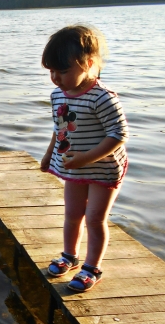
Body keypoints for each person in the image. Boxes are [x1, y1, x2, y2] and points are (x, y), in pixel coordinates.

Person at [39, 25, 129, 292]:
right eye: (51, 71)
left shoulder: (102, 98)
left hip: (104, 169)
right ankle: (70, 255)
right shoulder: (58, 95)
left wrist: (86, 159)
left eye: (63, 71)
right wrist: (48, 155)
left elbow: (118, 134)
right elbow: (59, 129)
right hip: (74, 170)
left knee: (94, 219)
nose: (56, 78)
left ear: (88, 64)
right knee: (72, 214)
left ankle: (92, 267)